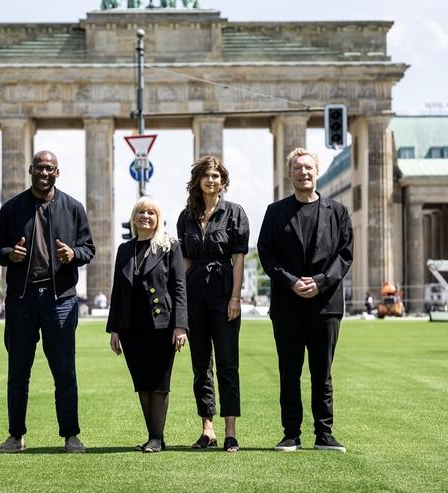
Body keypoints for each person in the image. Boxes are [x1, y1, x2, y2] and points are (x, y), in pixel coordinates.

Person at [0, 150, 95, 453]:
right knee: (18, 372)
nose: (44, 173)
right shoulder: (11, 209)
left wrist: (73, 255)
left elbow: (88, 248)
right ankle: (16, 436)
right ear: (30, 170)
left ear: (57, 173)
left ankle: (71, 435)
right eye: (39, 168)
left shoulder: (73, 208)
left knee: (65, 372)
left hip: (59, 299)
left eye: (50, 168)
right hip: (21, 300)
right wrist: (10, 254)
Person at [257, 147, 353, 453]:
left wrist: (321, 282)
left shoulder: (337, 212)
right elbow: (266, 254)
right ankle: (291, 434)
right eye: (297, 168)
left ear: (317, 170)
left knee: (322, 373)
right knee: (289, 372)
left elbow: (345, 254)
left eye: (308, 167)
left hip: (326, 305)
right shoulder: (275, 212)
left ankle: (324, 434)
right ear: (290, 174)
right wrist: (291, 282)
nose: (303, 172)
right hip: (287, 305)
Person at [176, 155, 249, 453]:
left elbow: (238, 259)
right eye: (206, 175)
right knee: (200, 365)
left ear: (223, 181)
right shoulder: (186, 216)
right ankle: (208, 429)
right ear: (198, 180)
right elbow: (185, 261)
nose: (212, 180)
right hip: (194, 297)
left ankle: (230, 431)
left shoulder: (235, 213)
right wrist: (179, 301)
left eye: (217, 175)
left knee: (228, 364)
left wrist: (235, 297)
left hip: (223, 295)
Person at [107, 196, 188, 453]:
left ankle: (156, 438)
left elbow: (179, 288)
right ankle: (154, 437)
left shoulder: (169, 246)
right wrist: (114, 329)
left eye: (151, 213)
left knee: (160, 382)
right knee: (142, 382)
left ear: (158, 218)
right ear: (134, 218)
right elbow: (117, 291)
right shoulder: (124, 249)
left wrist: (180, 326)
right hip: (131, 327)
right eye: (141, 212)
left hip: (162, 325)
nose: (145, 216)